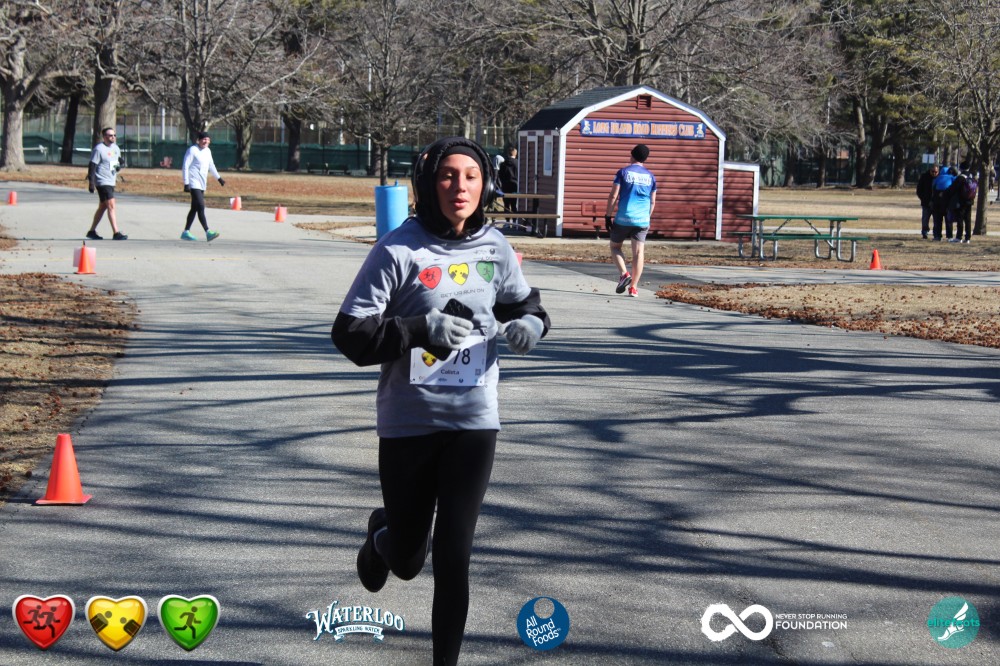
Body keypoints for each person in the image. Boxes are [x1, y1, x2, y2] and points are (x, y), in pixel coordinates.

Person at [331, 136, 550, 666]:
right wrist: (418, 329)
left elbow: (528, 305)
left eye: (471, 177)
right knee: (409, 561)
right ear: (428, 184)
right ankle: (383, 537)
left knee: (454, 558)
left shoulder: (495, 247)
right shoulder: (399, 249)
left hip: (474, 422)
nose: (460, 187)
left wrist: (531, 326)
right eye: (449, 176)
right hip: (409, 423)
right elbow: (350, 335)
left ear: (487, 185)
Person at [604, 144, 656, 297]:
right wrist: (647, 217)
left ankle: (624, 274)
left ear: (632, 155)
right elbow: (652, 201)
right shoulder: (651, 177)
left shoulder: (623, 172)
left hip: (623, 217)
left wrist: (608, 216)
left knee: (615, 247)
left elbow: (613, 196)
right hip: (642, 219)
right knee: (639, 253)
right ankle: (633, 287)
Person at [86, 127, 128, 240]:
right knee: (111, 205)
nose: (113, 137)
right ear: (104, 137)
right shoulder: (99, 149)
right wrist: (91, 182)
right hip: (102, 181)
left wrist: (120, 165)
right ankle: (116, 232)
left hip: (111, 180)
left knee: (103, 207)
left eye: (114, 135)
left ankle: (91, 231)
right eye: (110, 135)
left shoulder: (116, 148)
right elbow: (92, 166)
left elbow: (115, 163)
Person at [181, 132, 224, 242]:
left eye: (208, 139)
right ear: (199, 140)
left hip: (202, 184)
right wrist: (186, 183)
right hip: (193, 182)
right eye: (204, 139)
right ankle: (208, 232)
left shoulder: (208, 151)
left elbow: (211, 165)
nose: (206, 141)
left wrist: (219, 178)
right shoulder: (192, 150)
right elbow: (185, 166)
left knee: (194, 208)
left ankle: (186, 232)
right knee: (201, 206)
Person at [948, 161, 975, 243]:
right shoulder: (971, 176)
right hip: (970, 201)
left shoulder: (960, 178)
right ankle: (968, 238)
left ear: (961, 168)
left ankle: (959, 237)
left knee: (960, 219)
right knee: (968, 220)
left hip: (961, 201)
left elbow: (953, 189)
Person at [931, 165, 956, 241]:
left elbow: (933, 188)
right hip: (947, 202)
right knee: (948, 220)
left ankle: (937, 236)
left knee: (938, 220)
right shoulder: (951, 178)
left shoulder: (937, 179)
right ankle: (949, 236)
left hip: (937, 202)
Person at [916, 164, 939, 239]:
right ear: (930, 170)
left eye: (936, 172)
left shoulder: (940, 178)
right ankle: (924, 232)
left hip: (936, 203)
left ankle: (936, 233)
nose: (934, 173)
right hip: (926, 202)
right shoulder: (924, 177)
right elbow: (919, 190)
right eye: (932, 171)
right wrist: (923, 199)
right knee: (925, 219)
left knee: (936, 220)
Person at [498, 146, 519, 226]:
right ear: (515, 154)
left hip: (505, 186)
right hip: (515, 186)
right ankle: (514, 221)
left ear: (508, 153)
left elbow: (500, 176)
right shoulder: (518, 163)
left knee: (506, 204)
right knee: (514, 204)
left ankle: (507, 222)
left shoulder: (503, 164)